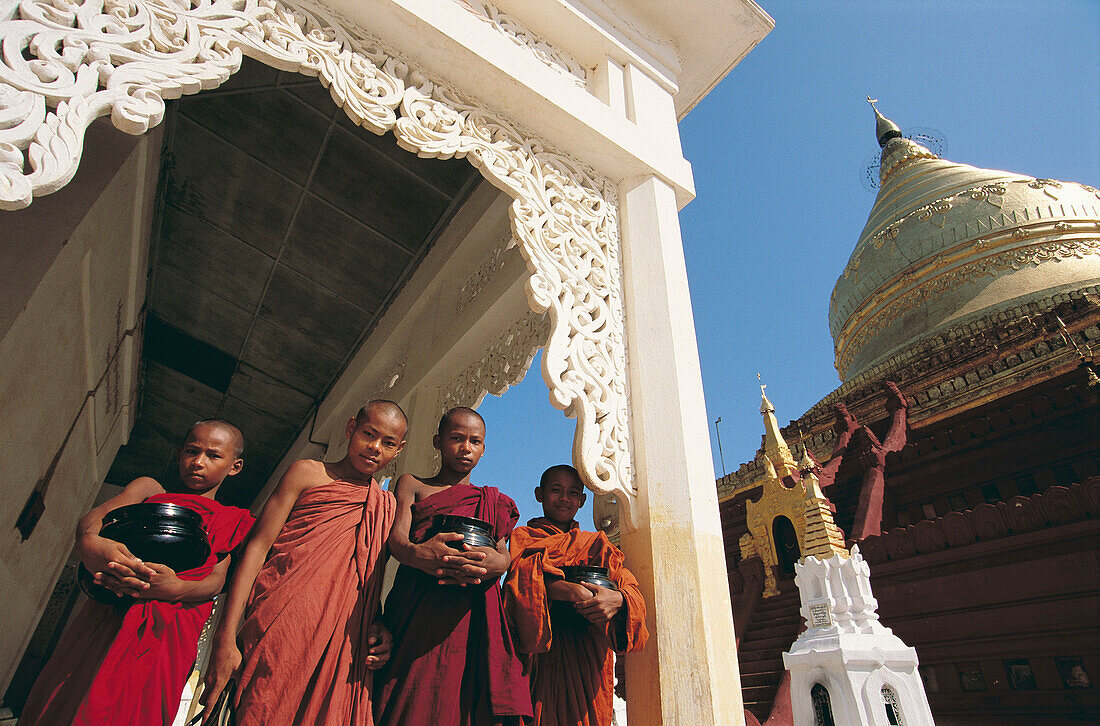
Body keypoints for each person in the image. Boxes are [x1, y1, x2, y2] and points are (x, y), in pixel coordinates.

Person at [19, 420, 255, 726]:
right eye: (191, 451)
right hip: (113, 610)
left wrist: (172, 588)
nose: (198, 462)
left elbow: (215, 582)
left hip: (169, 630)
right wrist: (93, 546)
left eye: (213, 455)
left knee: (141, 708)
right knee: (77, 691)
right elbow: (91, 524)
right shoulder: (149, 490)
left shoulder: (231, 519)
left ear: (234, 467)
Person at [200, 400, 407, 725]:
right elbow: (257, 548)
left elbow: (364, 577)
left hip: (341, 646)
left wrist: (377, 623)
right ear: (351, 427)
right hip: (281, 627)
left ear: (399, 450)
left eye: (388, 443)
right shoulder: (308, 473)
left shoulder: (384, 506)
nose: (375, 448)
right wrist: (224, 636)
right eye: (369, 434)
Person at [374, 406, 532, 726]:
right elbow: (397, 542)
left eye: (475, 441)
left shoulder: (492, 500)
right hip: (417, 608)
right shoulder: (413, 485)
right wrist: (424, 556)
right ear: (438, 442)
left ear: (483, 448)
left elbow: (504, 553)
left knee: (459, 698)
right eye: (456, 438)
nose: (465, 448)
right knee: (402, 693)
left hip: (468, 616)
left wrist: (492, 564)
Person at [503, 464, 648, 726]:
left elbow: (627, 584)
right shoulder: (524, 537)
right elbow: (518, 581)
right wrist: (564, 589)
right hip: (542, 653)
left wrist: (617, 599)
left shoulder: (595, 544)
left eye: (572, 493)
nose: (564, 499)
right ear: (539, 494)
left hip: (588, 658)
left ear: (582, 500)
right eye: (556, 490)